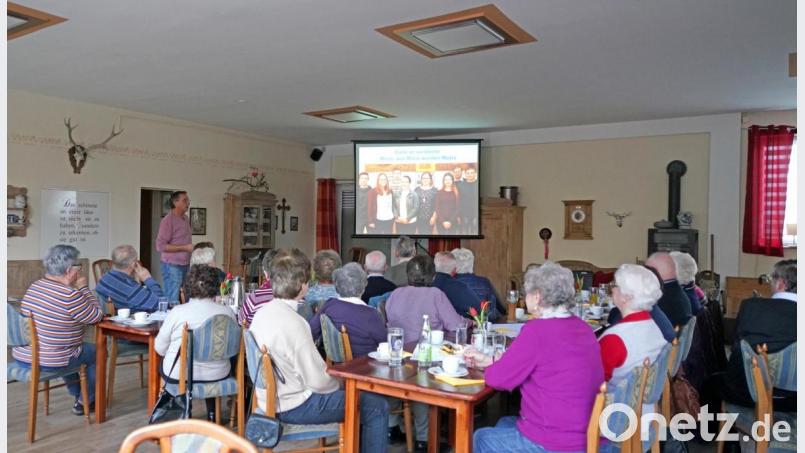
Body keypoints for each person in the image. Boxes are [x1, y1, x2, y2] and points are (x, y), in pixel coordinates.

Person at [249, 249, 389, 453]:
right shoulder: (295, 323)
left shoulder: (262, 314)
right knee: (376, 405)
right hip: (295, 405)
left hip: (268, 399)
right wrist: (342, 383)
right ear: (302, 286)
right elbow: (319, 382)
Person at [469, 261, 604, 452]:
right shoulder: (583, 327)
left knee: (481, 438)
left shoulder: (537, 331)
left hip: (556, 441)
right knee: (504, 422)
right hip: (588, 433)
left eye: (526, 293)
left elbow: (497, 379)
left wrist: (490, 364)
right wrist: (493, 361)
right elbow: (547, 364)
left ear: (537, 296)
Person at [13, 245, 104, 415]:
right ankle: (86, 400)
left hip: (24, 356)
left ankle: (78, 394)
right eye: (78, 267)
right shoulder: (70, 295)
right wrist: (84, 288)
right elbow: (97, 317)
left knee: (71, 349)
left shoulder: (34, 286)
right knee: (98, 351)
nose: (79, 271)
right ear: (69, 270)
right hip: (50, 360)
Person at [154, 264, 237, 421]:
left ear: (186, 287)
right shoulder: (228, 313)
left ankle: (182, 409)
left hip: (181, 375)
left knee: (163, 364)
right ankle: (212, 413)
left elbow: (159, 348)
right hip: (219, 374)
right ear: (216, 286)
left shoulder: (178, 312)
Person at [721, 259, 796, 411]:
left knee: (710, 384)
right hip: (795, 401)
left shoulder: (751, 306)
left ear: (781, 283)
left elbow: (736, 345)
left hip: (750, 395)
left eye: (771, 279)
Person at [598, 264, 667, 417]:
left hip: (617, 417)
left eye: (615, 285)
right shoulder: (653, 326)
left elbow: (593, 383)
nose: (612, 289)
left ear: (626, 296)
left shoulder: (614, 338)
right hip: (646, 411)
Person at [385, 255, 471, 344]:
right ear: (433, 276)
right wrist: (471, 322)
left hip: (397, 348)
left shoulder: (395, 293)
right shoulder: (435, 294)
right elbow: (455, 325)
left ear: (408, 274)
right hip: (427, 349)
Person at [309, 263, 386, 357]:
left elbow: (311, 331)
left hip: (334, 363)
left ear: (337, 287)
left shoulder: (329, 305)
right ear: (363, 288)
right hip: (365, 363)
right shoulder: (371, 314)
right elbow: (386, 343)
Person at [96, 244, 164, 312]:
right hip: (137, 317)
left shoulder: (103, 280)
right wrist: (148, 279)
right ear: (133, 264)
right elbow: (162, 305)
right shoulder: (132, 289)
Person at [156, 190, 193, 302]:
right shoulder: (167, 221)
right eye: (185, 200)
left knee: (187, 297)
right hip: (171, 265)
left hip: (186, 264)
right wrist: (185, 248)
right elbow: (160, 246)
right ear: (175, 202)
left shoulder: (186, 218)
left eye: (188, 200)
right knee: (172, 298)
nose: (188, 202)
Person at [432, 252, 491, 320]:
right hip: (458, 325)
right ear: (454, 269)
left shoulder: (427, 286)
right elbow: (481, 312)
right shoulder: (460, 288)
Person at [452, 247, 504, 316]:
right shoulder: (484, 282)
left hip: (459, 322)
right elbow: (499, 307)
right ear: (472, 263)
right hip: (483, 321)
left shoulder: (449, 284)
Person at [238, 249, 276, 327]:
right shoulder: (297, 296)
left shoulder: (256, 297)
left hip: (259, 334)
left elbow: (240, 320)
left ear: (265, 272)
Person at [457, 165, 479, 234]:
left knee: (475, 233)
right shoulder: (460, 185)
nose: (470, 175)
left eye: (472, 173)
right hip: (464, 214)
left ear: (475, 173)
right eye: (468, 173)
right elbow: (458, 200)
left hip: (476, 213)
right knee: (465, 233)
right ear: (465, 174)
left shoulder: (478, 185)